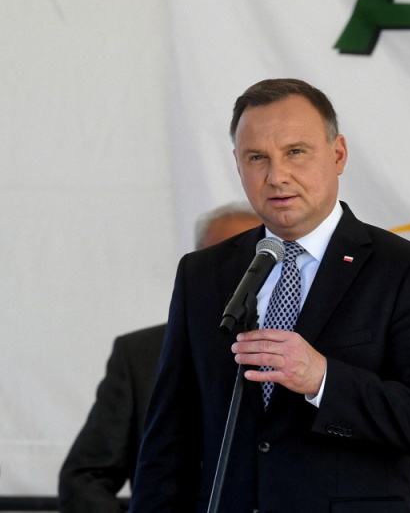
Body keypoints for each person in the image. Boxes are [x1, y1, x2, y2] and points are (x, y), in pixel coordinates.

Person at [130, 78, 410, 512]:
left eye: (295, 152)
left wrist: (323, 380)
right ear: (238, 164)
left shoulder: (403, 269)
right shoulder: (203, 274)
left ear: (338, 154)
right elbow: (167, 442)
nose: (277, 176)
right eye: (258, 158)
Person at [58, 203, 262, 513]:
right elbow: (84, 479)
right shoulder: (140, 353)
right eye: (227, 256)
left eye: (256, 262)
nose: (242, 274)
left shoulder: (303, 350)